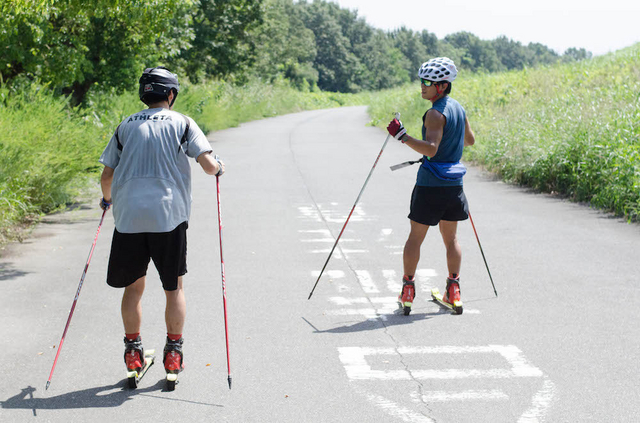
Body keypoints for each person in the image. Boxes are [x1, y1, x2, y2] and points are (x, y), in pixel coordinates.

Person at [98, 66, 225, 380]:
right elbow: (209, 166)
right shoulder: (182, 122)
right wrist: (220, 167)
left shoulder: (125, 125)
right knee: (174, 288)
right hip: (168, 217)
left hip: (128, 217)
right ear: (171, 94)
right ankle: (173, 352)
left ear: (144, 94)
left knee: (133, 287)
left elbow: (107, 177)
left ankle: (132, 350)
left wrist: (107, 199)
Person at [386, 57, 475, 315]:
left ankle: (408, 289)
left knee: (416, 237)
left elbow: (432, 150)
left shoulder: (435, 113)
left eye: (429, 82)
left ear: (443, 86)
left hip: (430, 185)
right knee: (451, 239)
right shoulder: (458, 108)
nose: (423, 86)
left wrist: (403, 136)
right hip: (454, 185)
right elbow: (469, 140)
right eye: (422, 81)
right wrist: (452, 144)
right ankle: (454, 289)